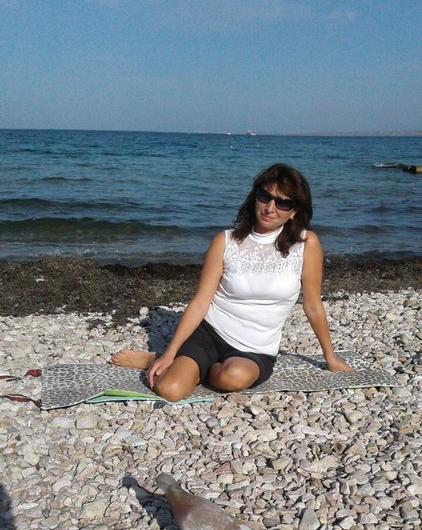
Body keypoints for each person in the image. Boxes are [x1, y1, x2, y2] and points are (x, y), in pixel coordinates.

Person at [111, 163, 352, 400]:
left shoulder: (306, 244)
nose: (270, 208)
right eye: (265, 196)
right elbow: (200, 303)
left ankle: (193, 367)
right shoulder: (225, 240)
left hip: (255, 349)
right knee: (170, 390)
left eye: (282, 202)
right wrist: (170, 353)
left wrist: (329, 357)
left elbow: (312, 305)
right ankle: (163, 359)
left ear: (294, 211)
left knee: (233, 378)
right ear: (255, 197)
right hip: (209, 333)